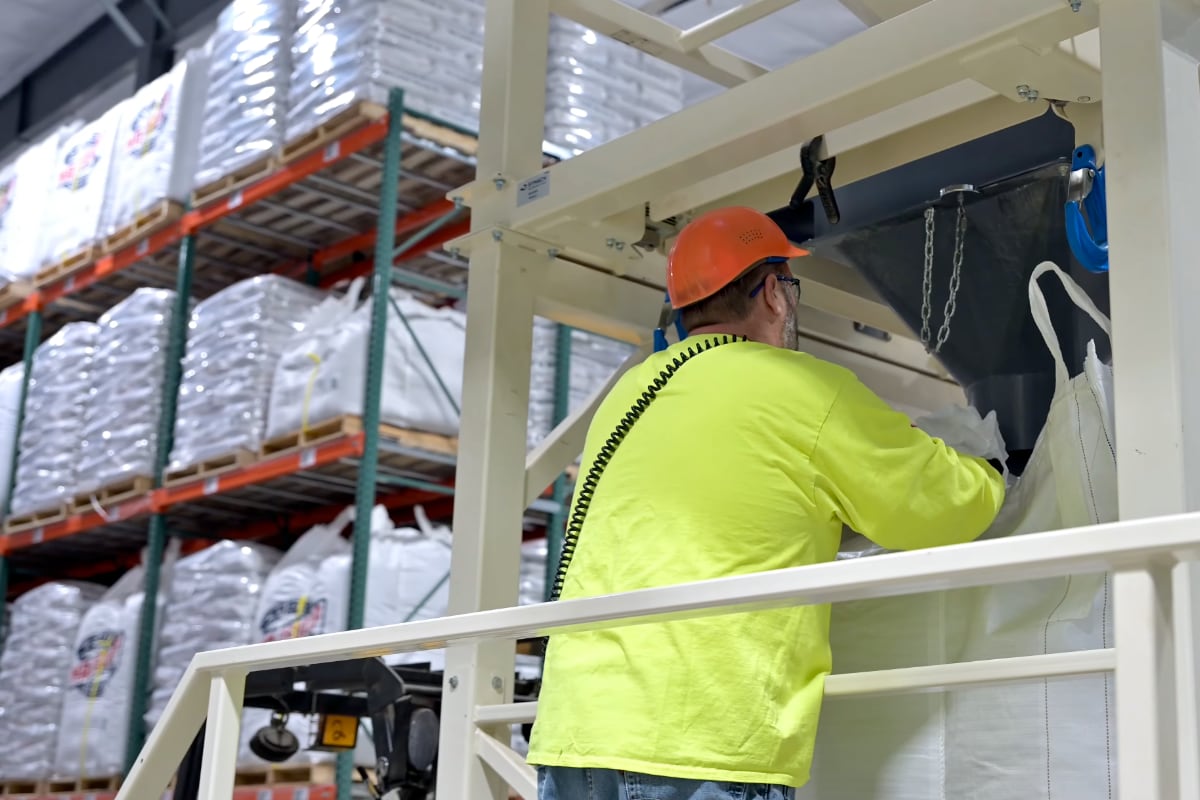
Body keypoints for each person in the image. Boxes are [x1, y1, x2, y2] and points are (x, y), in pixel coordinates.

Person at [526, 206, 1006, 800]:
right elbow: (941, 506)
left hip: (576, 736)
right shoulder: (804, 388)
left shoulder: (630, 394)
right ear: (775, 294)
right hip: (700, 743)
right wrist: (993, 470)